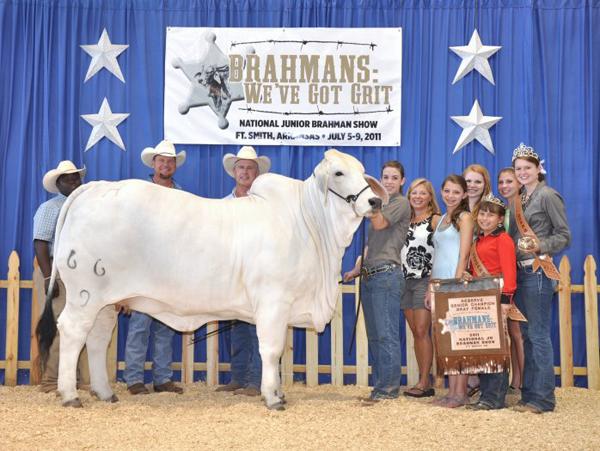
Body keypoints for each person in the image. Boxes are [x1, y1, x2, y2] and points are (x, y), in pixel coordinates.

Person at [510, 143, 570, 414]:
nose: (522, 172)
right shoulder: (519, 199)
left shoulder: (548, 195)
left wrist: (540, 246)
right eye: (518, 169)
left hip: (537, 270)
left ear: (538, 169)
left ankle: (544, 399)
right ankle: (530, 395)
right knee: (527, 335)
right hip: (520, 273)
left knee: (538, 335)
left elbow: (564, 235)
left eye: (527, 168)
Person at [344, 161, 411, 404]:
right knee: (375, 335)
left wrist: (370, 201)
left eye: (394, 177)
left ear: (402, 181)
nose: (390, 181)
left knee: (386, 335)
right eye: (385, 177)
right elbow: (372, 244)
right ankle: (380, 387)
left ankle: (388, 389)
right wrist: (356, 268)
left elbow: (381, 223)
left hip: (386, 274)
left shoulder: (400, 203)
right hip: (372, 273)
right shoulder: (381, 204)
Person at [124, 140, 186, 395]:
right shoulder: (140, 194)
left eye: (170, 161)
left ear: (174, 166)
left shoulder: (182, 194)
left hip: (170, 270)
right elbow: (129, 235)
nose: (166, 164)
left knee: (166, 326)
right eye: (162, 160)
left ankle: (162, 378)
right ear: (154, 164)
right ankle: (134, 378)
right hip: (143, 269)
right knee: (140, 325)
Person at [215, 146, 271, 397]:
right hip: (231, 273)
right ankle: (238, 377)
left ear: (257, 174)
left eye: (250, 168)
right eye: (241, 168)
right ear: (233, 172)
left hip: (258, 272)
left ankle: (255, 381)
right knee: (235, 326)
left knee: (258, 328)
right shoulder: (223, 205)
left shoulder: (265, 205)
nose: (245, 172)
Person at [34, 160, 89, 393]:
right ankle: (50, 380)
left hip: (83, 273)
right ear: (59, 184)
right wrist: (49, 278)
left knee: (78, 326)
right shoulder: (51, 208)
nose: (75, 181)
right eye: (69, 178)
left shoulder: (86, 206)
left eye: (76, 177)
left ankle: (71, 379)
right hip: (60, 273)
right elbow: (40, 242)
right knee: (59, 326)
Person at [464, 194, 517, 410]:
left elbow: (509, 273)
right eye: (482, 214)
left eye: (490, 215)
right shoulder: (479, 240)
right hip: (481, 298)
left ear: (500, 219)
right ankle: (486, 395)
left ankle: (495, 398)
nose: (485, 219)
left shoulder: (503, 240)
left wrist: (506, 300)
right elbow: (477, 269)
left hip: (497, 297)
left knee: (497, 350)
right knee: (483, 348)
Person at [427, 175, 474, 408]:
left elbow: (464, 254)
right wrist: (431, 287)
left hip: (454, 284)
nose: (451, 195)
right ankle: (451, 392)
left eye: (456, 192)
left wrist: (455, 283)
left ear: (464, 194)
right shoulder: (442, 218)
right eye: (447, 191)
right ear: (442, 191)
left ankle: (461, 393)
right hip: (439, 283)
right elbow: (437, 256)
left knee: (459, 341)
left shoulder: (465, 218)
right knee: (447, 341)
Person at [400, 178, 441, 398]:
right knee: (416, 332)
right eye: (414, 193)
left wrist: (432, 284)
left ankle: (425, 382)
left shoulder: (435, 221)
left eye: (422, 193)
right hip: (405, 280)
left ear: (429, 197)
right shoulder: (404, 220)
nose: (417, 197)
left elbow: (442, 252)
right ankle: (423, 378)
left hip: (424, 279)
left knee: (422, 330)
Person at [497, 167, 525, 392]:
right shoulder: (505, 210)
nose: (505, 186)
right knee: (511, 330)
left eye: (509, 181)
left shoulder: (522, 208)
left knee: (518, 332)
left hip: (519, 274)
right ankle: (515, 380)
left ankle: (521, 381)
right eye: (501, 182)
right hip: (508, 273)